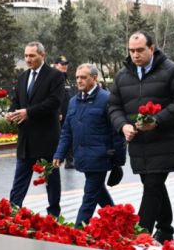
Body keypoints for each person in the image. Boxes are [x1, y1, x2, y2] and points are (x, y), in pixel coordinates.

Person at [109, 31, 174, 244]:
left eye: (140, 50)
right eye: (131, 51)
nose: (135, 55)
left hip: (164, 142)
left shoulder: (171, 71)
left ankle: (140, 234)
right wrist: (123, 125)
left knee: (153, 186)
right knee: (153, 185)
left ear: (151, 49)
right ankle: (165, 229)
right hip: (139, 145)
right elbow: (114, 107)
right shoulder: (122, 76)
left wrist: (157, 121)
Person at [53, 64, 126, 227]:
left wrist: (118, 162)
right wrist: (59, 154)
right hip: (83, 157)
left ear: (94, 78)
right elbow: (67, 131)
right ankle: (119, 222)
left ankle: (78, 230)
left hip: (101, 157)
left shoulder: (107, 99)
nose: (79, 81)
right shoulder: (73, 101)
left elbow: (117, 133)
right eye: (77, 77)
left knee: (89, 197)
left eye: (83, 77)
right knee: (98, 192)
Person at [6, 41, 64, 217]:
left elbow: (54, 102)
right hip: (26, 138)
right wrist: (11, 113)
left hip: (47, 138)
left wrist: (28, 112)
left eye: (32, 55)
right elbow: (17, 100)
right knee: (20, 178)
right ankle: (13, 211)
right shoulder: (22, 77)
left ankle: (53, 214)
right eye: (26, 56)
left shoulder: (55, 76)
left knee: (51, 179)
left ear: (42, 55)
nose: (28, 59)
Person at [53, 56, 74, 169]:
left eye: (66, 64)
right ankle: (59, 160)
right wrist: (58, 111)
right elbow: (55, 97)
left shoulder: (64, 77)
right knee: (60, 137)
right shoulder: (54, 78)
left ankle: (69, 160)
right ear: (56, 65)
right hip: (60, 114)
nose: (65, 66)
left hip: (67, 113)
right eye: (62, 64)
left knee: (67, 135)